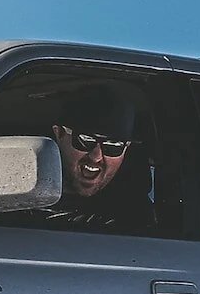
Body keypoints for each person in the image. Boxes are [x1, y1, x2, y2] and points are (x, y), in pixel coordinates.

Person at [38, 82, 150, 232]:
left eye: (113, 145)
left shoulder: (135, 223)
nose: (96, 157)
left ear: (126, 148)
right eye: (86, 139)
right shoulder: (19, 201)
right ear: (59, 133)